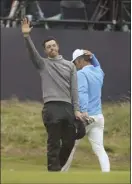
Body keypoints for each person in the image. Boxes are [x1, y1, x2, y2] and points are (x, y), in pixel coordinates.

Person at [21, 18, 84, 172]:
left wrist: (76, 109)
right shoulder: (43, 64)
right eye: (48, 47)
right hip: (51, 107)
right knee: (54, 142)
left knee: (69, 142)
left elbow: (74, 90)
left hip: (67, 107)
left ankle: (57, 168)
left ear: (58, 47)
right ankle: (53, 171)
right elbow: (32, 54)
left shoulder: (70, 65)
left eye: (53, 45)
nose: (51, 48)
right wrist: (27, 36)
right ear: (45, 50)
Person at [61, 49, 110, 172]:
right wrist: (93, 57)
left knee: (70, 145)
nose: (75, 65)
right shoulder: (99, 72)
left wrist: (83, 111)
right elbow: (98, 65)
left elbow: (82, 93)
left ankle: (61, 173)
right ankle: (107, 175)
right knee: (100, 149)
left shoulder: (81, 74)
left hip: (86, 116)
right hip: (98, 117)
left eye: (76, 62)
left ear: (80, 60)